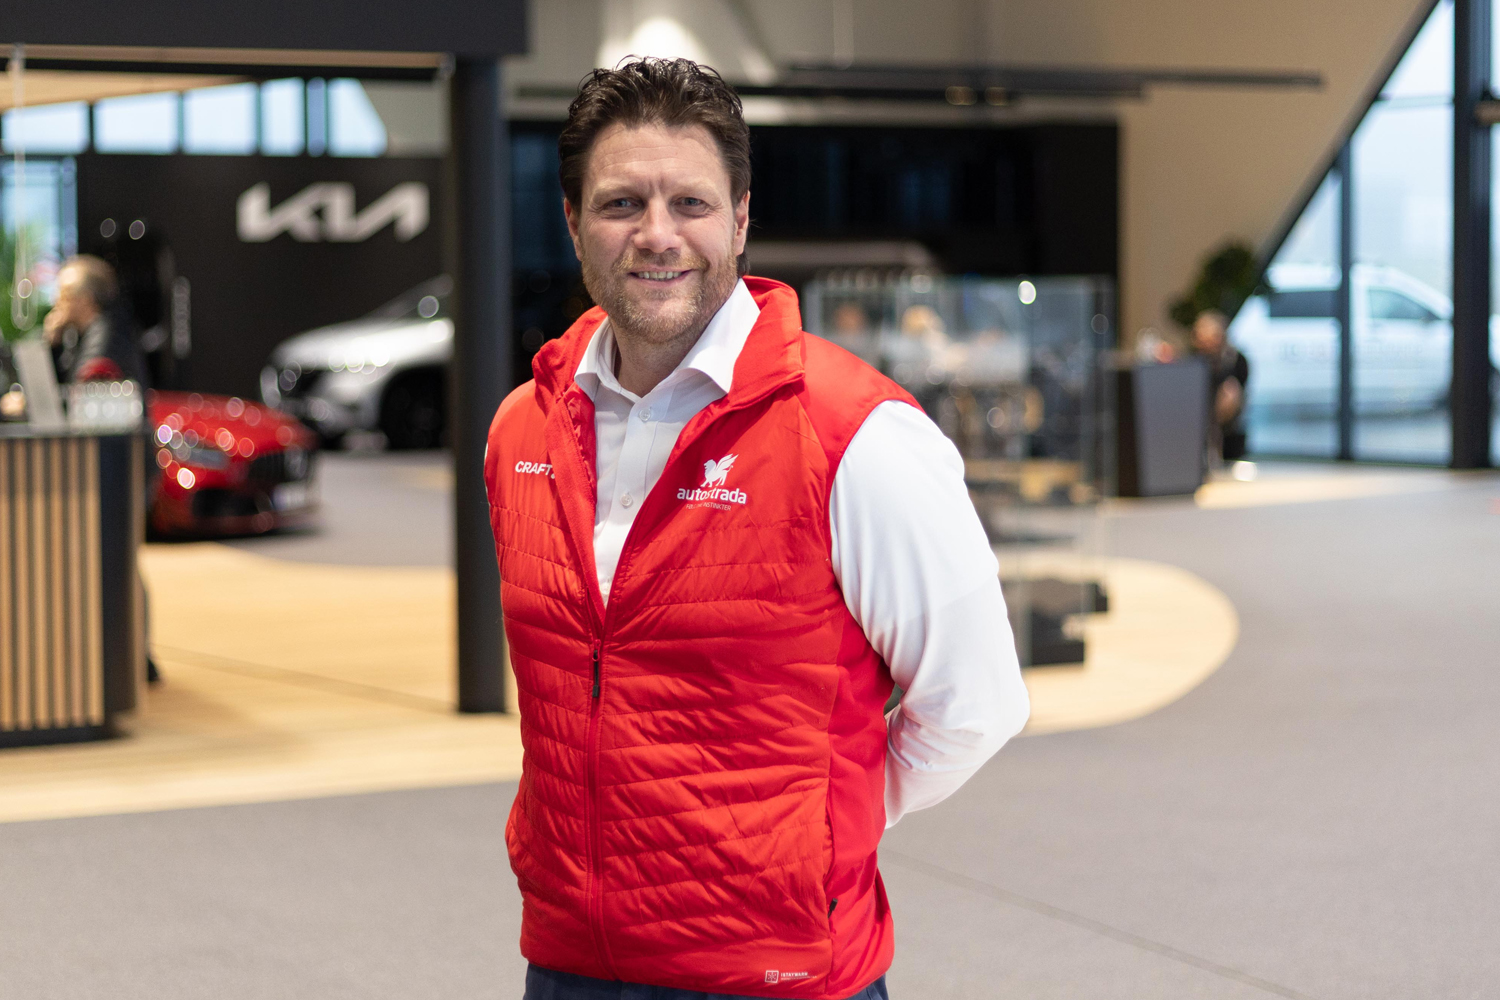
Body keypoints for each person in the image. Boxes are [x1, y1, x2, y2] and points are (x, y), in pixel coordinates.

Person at [483, 58, 1029, 1000]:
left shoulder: (856, 434)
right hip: (571, 962)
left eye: (690, 203)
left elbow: (976, 701)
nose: (657, 234)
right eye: (621, 204)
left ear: (740, 219)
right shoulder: (522, 430)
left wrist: (810, 832)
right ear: (572, 223)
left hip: (775, 975)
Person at [1191, 309, 1250, 461]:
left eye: (1212, 338)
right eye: (1202, 339)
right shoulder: (1194, 361)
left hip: (1229, 431)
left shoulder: (1236, 360)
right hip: (1200, 428)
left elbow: (1237, 393)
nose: (1207, 344)